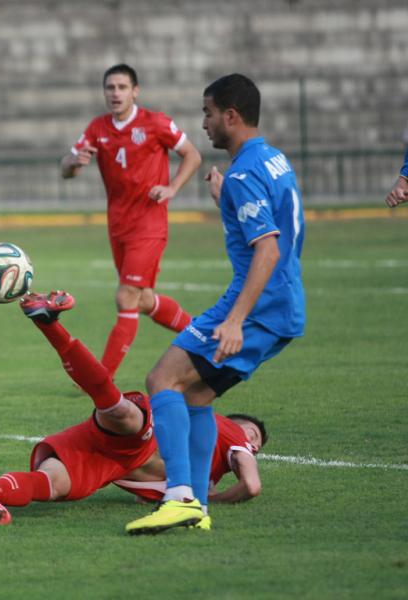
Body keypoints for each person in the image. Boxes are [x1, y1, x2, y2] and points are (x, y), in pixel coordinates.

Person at [123, 73, 305, 535]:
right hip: (283, 302)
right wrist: (228, 198)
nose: (203, 124)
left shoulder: (243, 173)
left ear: (231, 116)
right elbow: (276, 225)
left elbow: (268, 248)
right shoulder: (272, 159)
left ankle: (179, 495)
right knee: (197, 394)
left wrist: (237, 321)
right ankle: (197, 506)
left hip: (257, 304)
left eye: (207, 113)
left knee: (162, 378)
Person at [0, 291, 265, 527]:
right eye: (254, 436)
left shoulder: (202, 473)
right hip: (142, 435)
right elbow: (251, 485)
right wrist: (211, 499)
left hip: (111, 462)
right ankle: (49, 324)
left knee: (53, 484)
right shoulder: (229, 434)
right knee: (121, 412)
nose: (254, 444)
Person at [61, 64, 202, 380]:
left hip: (149, 224)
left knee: (126, 296)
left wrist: (172, 188)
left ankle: (101, 377)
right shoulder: (97, 128)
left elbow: (192, 155)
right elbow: (65, 169)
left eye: (122, 87)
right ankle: (204, 338)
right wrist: (72, 163)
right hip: (118, 226)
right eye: (110, 87)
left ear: (135, 91)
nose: (115, 93)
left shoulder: (155, 123)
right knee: (143, 300)